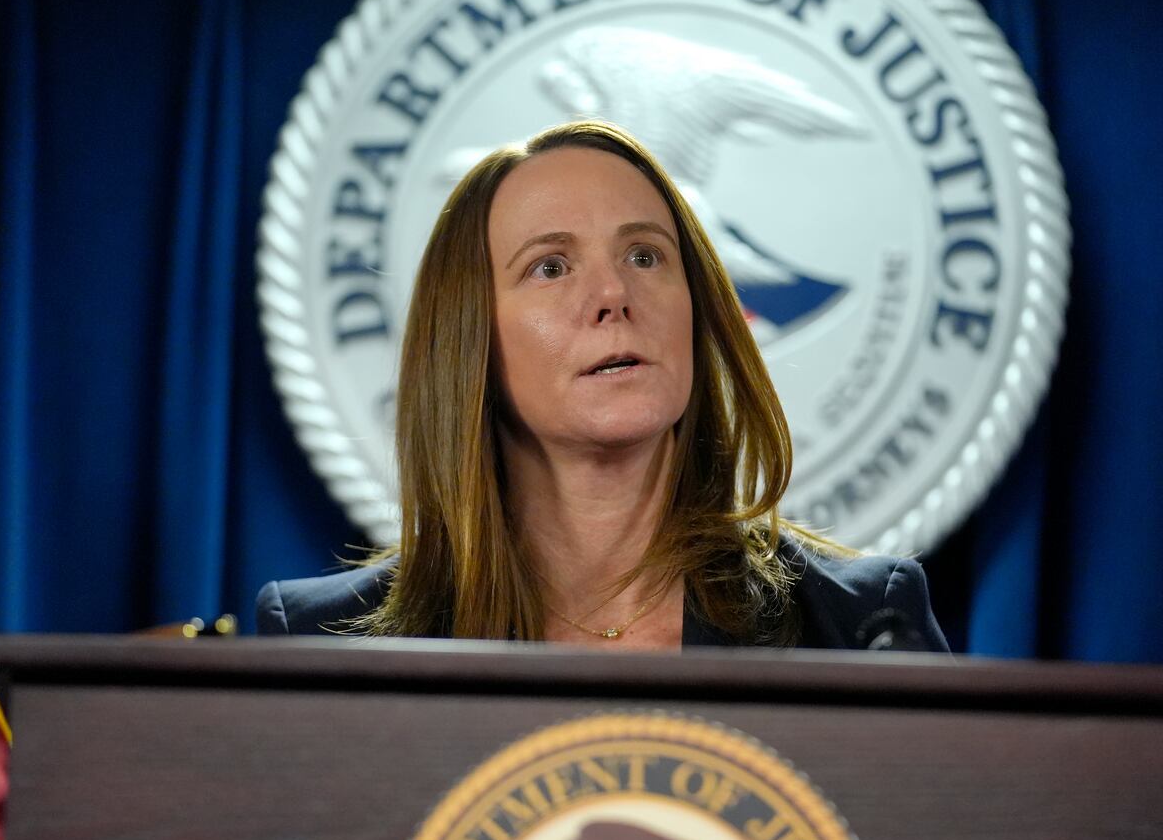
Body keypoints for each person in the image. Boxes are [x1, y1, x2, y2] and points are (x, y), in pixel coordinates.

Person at [257, 120, 946, 652]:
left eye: (645, 255)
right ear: (470, 344)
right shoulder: (321, 642)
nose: (614, 292)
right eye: (550, 267)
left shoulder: (858, 625)